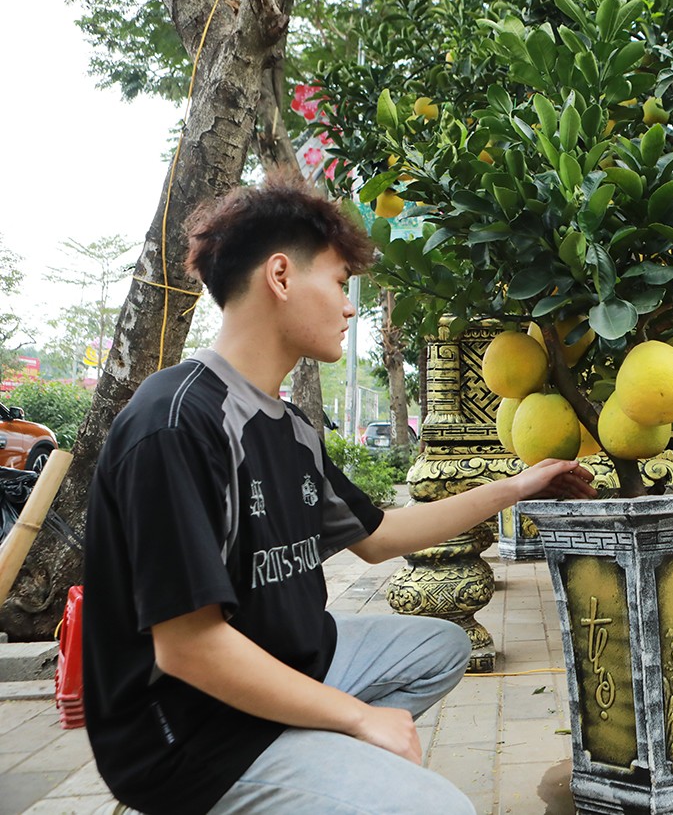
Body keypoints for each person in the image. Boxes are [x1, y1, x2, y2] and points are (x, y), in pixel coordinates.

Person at [82, 172, 595, 815]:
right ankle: (297, 770)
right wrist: (356, 717)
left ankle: (310, 756)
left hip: (288, 664)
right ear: (280, 276)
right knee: (441, 810)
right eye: (339, 283)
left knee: (441, 648)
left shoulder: (292, 428)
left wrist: (517, 486)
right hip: (192, 733)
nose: (350, 308)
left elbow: (381, 537)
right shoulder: (178, 422)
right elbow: (188, 647)